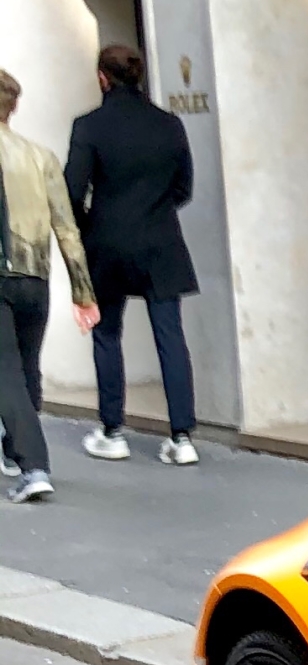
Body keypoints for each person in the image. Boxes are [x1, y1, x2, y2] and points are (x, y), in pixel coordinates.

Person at [66, 43, 201, 468]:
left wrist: (91, 224)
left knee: (107, 334)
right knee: (171, 337)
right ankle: (182, 438)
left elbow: (72, 189)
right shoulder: (169, 125)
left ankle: (112, 430)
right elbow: (184, 188)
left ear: (103, 78)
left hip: (107, 242)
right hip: (161, 242)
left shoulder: (89, 126)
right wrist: (155, 213)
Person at [0, 67, 100, 502]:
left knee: (5, 373)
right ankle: (13, 450)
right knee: (26, 367)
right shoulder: (41, 156)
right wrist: (83, 292)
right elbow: (67, 227)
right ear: (14, 106)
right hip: (35, 275)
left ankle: (32, 465)